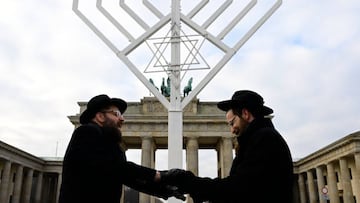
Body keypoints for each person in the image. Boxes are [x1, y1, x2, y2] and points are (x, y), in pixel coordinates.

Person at [161, 90, 294, 203]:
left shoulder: (264, 139)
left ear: (245, 114)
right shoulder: (260, 138)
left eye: (232, 123)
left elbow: (238, 189)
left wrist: (191, 183)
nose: (231, 130)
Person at [59, 94, 185, 203]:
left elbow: (128, 177)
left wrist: (164, 190)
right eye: (117, 114)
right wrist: (158, 175)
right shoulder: (86, 132)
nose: (122, 118)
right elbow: (117, 168)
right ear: (100, 116)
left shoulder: (110, 144)